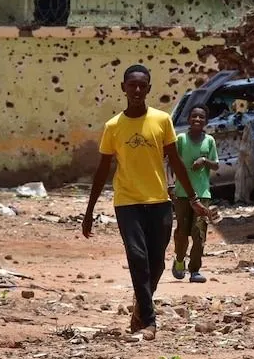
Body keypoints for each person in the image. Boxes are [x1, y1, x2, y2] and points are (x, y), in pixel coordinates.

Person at [82, 64, 208, 341]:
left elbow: (175, 160)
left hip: (159, 201)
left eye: (142, 85)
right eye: (132, 85)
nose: (137, 90)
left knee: (158, 264)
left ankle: (141, 305)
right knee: (138, 259)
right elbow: (103, 169)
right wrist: (89, 211)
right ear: (123, 88)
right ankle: (149, 321)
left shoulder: (162, 120)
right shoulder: (113, 127)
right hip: (127, 202)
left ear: (149, 89)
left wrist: (194, 197)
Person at [169, 105, 219, 284]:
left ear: (206, 121)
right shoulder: (181, 139)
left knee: (199, 232)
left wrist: (205, 160)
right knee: (182, 231)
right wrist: (170, 185)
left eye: (201, 117)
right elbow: (171, 162)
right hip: (182, 194)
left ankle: (195, 270)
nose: (197, 119)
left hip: (203, 193)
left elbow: (216, 165)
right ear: (189, 119)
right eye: (194, 116)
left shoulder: (209, 141)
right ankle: (180, 259)